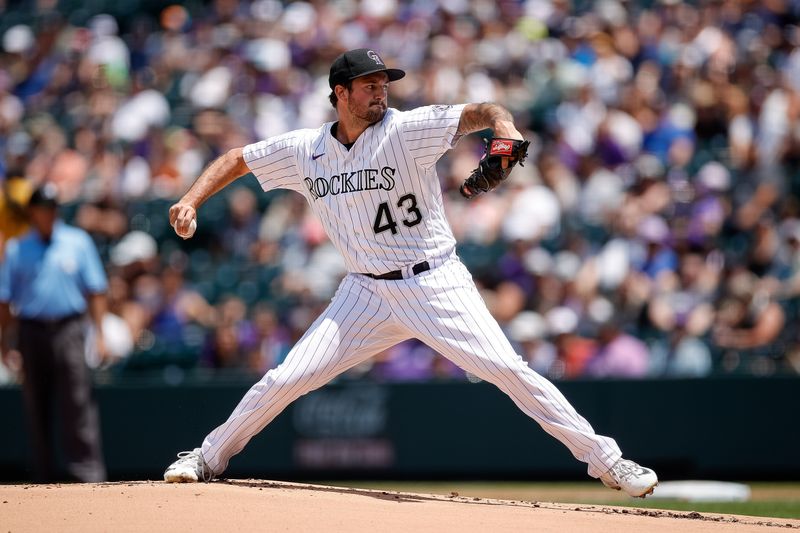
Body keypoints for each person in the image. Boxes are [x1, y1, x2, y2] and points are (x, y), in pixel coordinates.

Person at [163, 49, 658, 497]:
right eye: (370, 85)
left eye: (385, 83)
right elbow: (236, 159)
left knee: (509, 371)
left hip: (434, 282)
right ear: (340, 93)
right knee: (285, 377)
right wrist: (190, 199)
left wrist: (504, 131)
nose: (381, 92)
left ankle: (609, 462)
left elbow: (481, 112)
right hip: (364, 292)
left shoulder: (405, 130)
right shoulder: (304, 150)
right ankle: (206, 457)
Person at [0, 183, 109, 482]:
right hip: (31, 331)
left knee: (77, 401)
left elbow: (96, 290)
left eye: (52, 208)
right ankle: (42, 477)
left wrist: (99, 333)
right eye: (42, 208)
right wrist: (5, 342)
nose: (48, 213)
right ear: (33, 212)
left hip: (69, 329)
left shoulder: (77, 242)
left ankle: (88, 476)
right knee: (37, 405)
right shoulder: (17, 248)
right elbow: (5, 299)